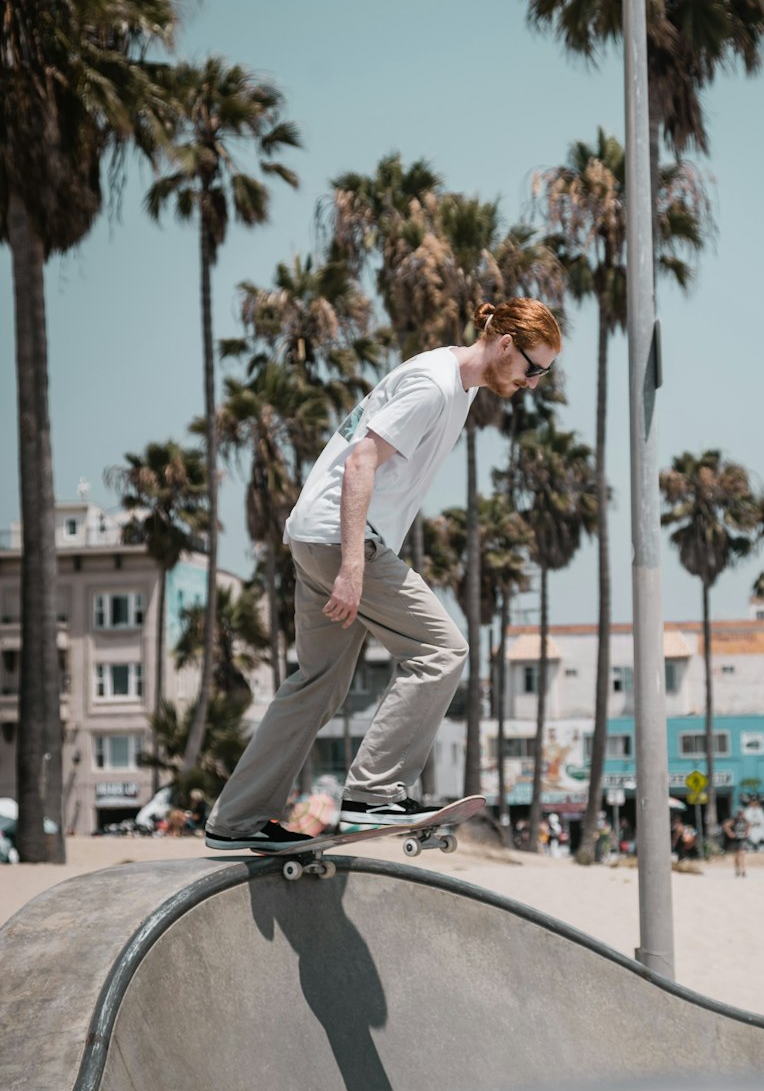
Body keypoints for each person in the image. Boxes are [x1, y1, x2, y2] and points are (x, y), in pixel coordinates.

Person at [206, 298, 561, 853]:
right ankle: (373, 795)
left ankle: (236, 819)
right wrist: (352, 564)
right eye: (532, 367)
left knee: (317, 684)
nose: (533, 382)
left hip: (314, 534)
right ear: (505, 344)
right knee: (442, 651)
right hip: (342, 540)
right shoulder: (435, 385)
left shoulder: (457, 387)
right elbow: (360, 462)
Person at [722, 809, 749, 877]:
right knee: (737, 856)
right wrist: (730, 833)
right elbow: (726, 826)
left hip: (742, 839)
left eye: (742, 814)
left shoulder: (745, 821)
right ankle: (737, 869)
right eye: (740, 814)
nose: (741, 816)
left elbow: (748, 826)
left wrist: (747, 833)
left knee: (743, 854)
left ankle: (743, 870)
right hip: (735, 840)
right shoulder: (734, 821)